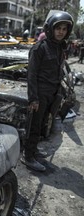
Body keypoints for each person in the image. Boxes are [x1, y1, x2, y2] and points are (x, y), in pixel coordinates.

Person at [21, 11, 74, 172]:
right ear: (51, 28)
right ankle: (28, 156)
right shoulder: (39, 48)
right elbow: (31, 75)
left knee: (43, 125)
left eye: (64, 29)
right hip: (40, 94)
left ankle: (34, 150)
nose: (61, 32)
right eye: (58, 28)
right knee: (34, 126)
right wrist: (33, 99)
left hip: (52, 93)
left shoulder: (59, 48)